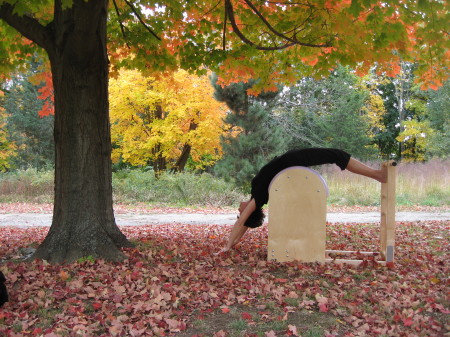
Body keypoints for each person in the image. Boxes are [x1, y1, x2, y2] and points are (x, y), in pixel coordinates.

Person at [217, 148, 388, 255]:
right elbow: (241, 224)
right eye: (240, 213)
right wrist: (226, 246)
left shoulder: (256, 198)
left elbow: (242, 227)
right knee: (337, 155)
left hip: (289, 159)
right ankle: (377, 175)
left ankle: (377, 175)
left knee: (337, 155)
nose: (239, 210)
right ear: (249, 213)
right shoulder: (258, 199)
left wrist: (232, 244)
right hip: (292, 161)